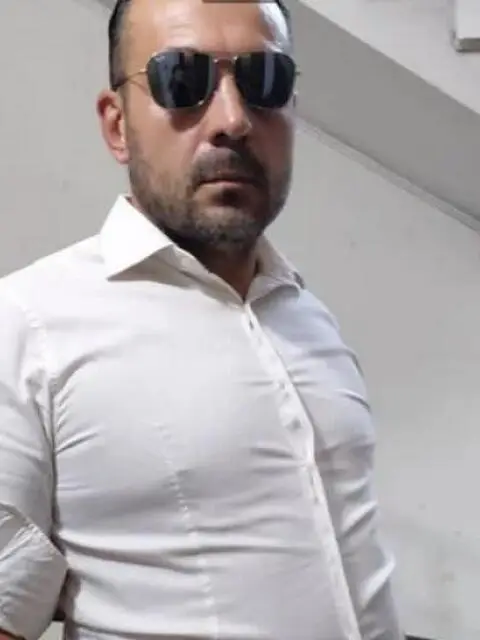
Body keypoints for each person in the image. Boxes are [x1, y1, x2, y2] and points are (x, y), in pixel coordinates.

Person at [0, 0, 405, 638]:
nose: (234, 120)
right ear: (117, 125)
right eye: (181, 79)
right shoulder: (27, 326)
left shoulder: (309, 319)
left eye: (264, 79)